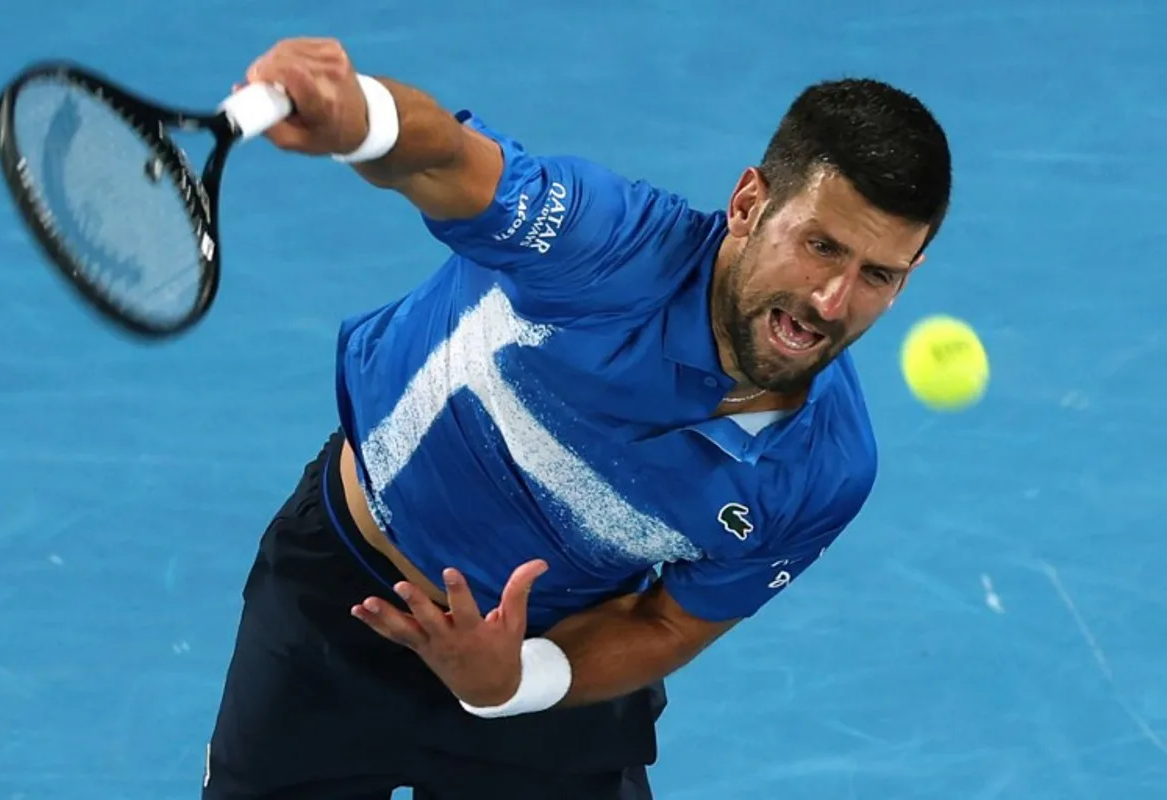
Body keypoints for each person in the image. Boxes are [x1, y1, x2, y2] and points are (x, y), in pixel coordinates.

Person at [202, 36, 953, 800]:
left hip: (548, 682)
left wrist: (513, 681)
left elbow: (670, 623)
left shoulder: (826, 468)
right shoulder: (602, 246)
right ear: (750, 204)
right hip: (339, 610)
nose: (833, 299)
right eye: (819, 246)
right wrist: (362, 116)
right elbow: (451, 162)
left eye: (878, 274)